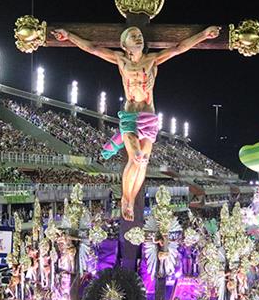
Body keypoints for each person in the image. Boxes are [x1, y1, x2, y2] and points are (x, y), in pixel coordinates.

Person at [52, 25, 220, 220]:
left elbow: (179, 48)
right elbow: (92, 48)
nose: (138, 38)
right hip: (130, 116)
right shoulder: (120, 59)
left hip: (149, 117)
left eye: (139, 35)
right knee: (136, 157)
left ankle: (131, 199)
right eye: (133, 36)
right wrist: (69, 36)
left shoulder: (152, 60)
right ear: (124, 45)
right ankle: (126, 199)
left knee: (143, 163)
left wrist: (203, 35)